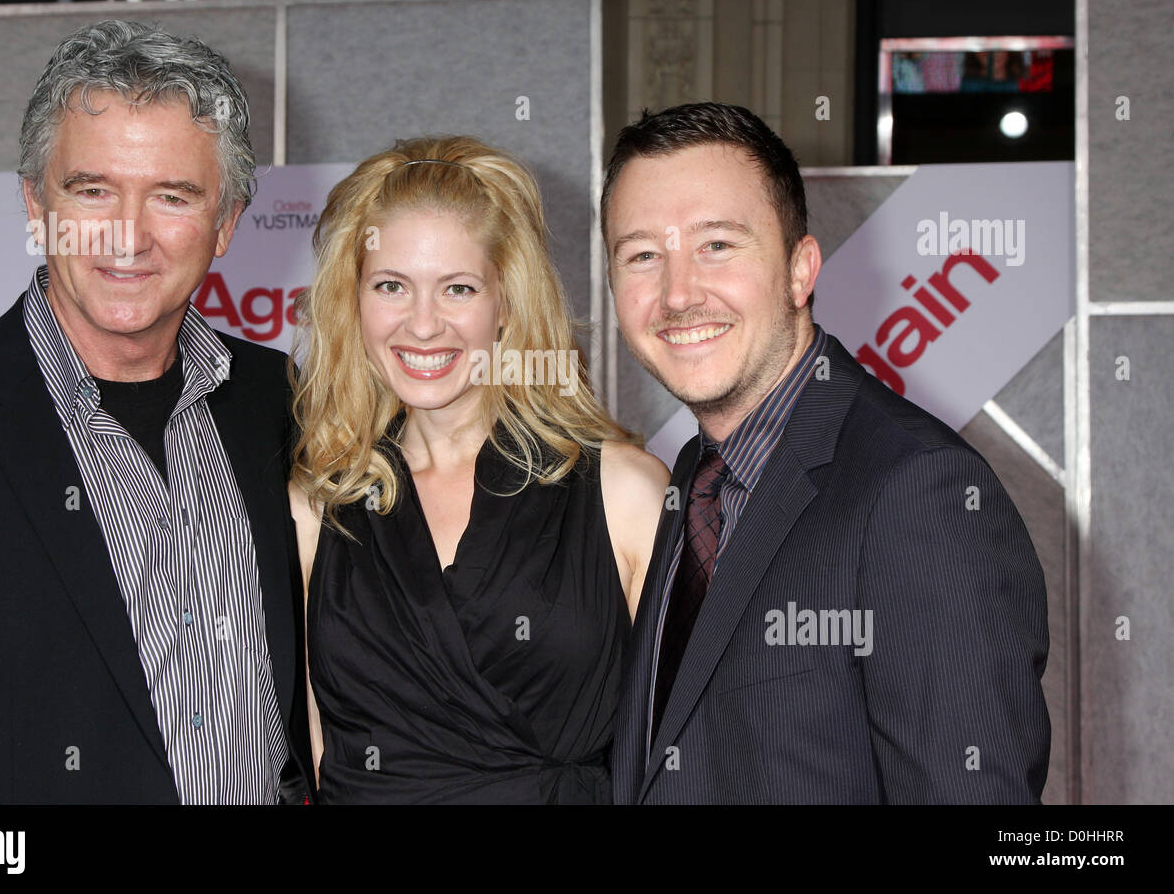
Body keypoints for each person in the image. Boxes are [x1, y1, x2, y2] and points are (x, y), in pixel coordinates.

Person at [0, 20, 310, 803]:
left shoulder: (286, 403)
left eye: (172, 196)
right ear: (35, 205)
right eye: (92, 189)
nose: (126, 235)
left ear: (227, 224)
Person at [603, 102, 1051, 804]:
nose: (677, 292)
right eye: (641, 256)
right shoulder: (691, 482)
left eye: (717, 245)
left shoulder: (918, 491)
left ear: (800, 269)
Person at [288, 135, 668, 803]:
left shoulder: (626, 495)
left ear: (507, 305)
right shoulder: (316, 508)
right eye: (391, 286)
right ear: (353, 302)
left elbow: (687, 750)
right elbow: (317, 759)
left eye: (458, 288)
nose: (423, 324)